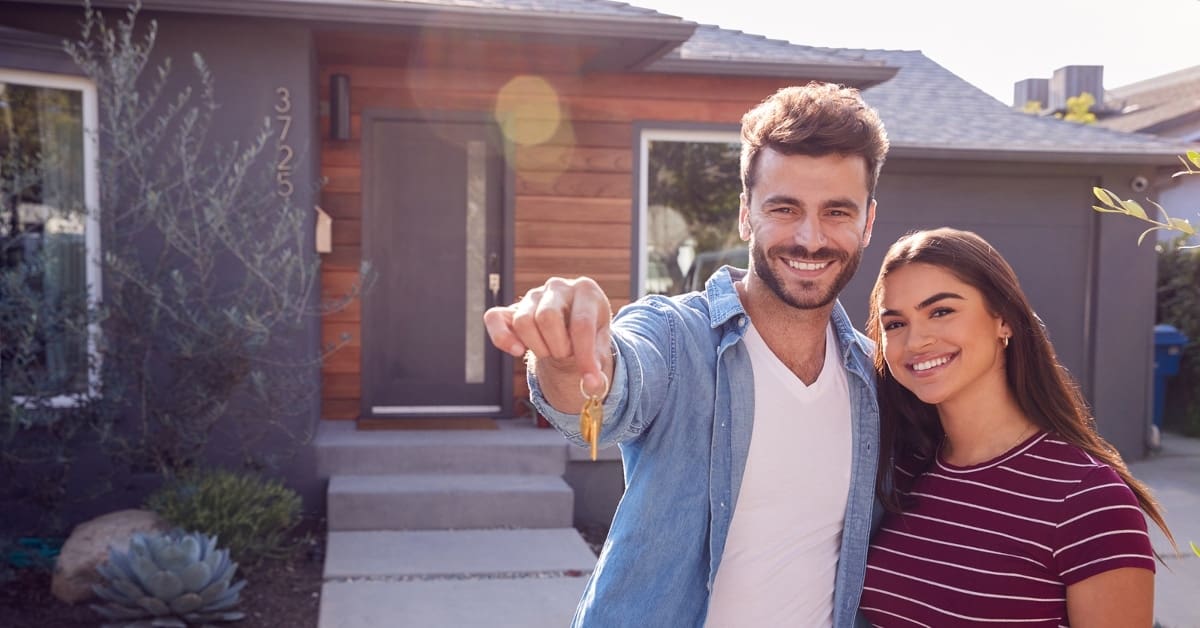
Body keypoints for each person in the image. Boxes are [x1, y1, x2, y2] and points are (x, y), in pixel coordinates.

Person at [483, 82, 889, 627]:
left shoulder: (877, 376)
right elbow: (610, 390)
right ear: (746, 215)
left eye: (837, 211)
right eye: (785, 208)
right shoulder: (675, 336)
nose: (810, 238)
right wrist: (565, 358)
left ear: (867, 221)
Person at [859, 227, 1175, 627]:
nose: (916, 340)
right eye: (895, 324)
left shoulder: (1089, 501)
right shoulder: (899, 474)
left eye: (941, 311)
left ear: (1004, 320)